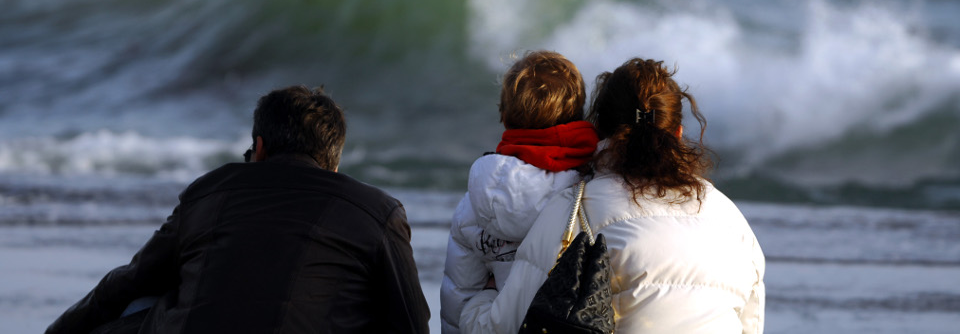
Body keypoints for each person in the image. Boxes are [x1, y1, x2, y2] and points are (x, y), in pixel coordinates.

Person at [46, 85, 431, 334]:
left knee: (142, 303)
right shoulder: (378, 212)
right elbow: (413, 324)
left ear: (259, 148)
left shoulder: (207, 192)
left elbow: (128, 282)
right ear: (334, 165)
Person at [460, 58, 766, 334]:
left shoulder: (573, 209)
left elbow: (502, 327)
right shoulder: (731, 220)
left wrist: (481, 300)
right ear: (678, 133)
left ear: (599, 130)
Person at [440, 51, 599, 334]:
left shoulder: (474, 203)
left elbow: (459, 300)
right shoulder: (590, 194)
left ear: (504, 116)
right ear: (577, 117)